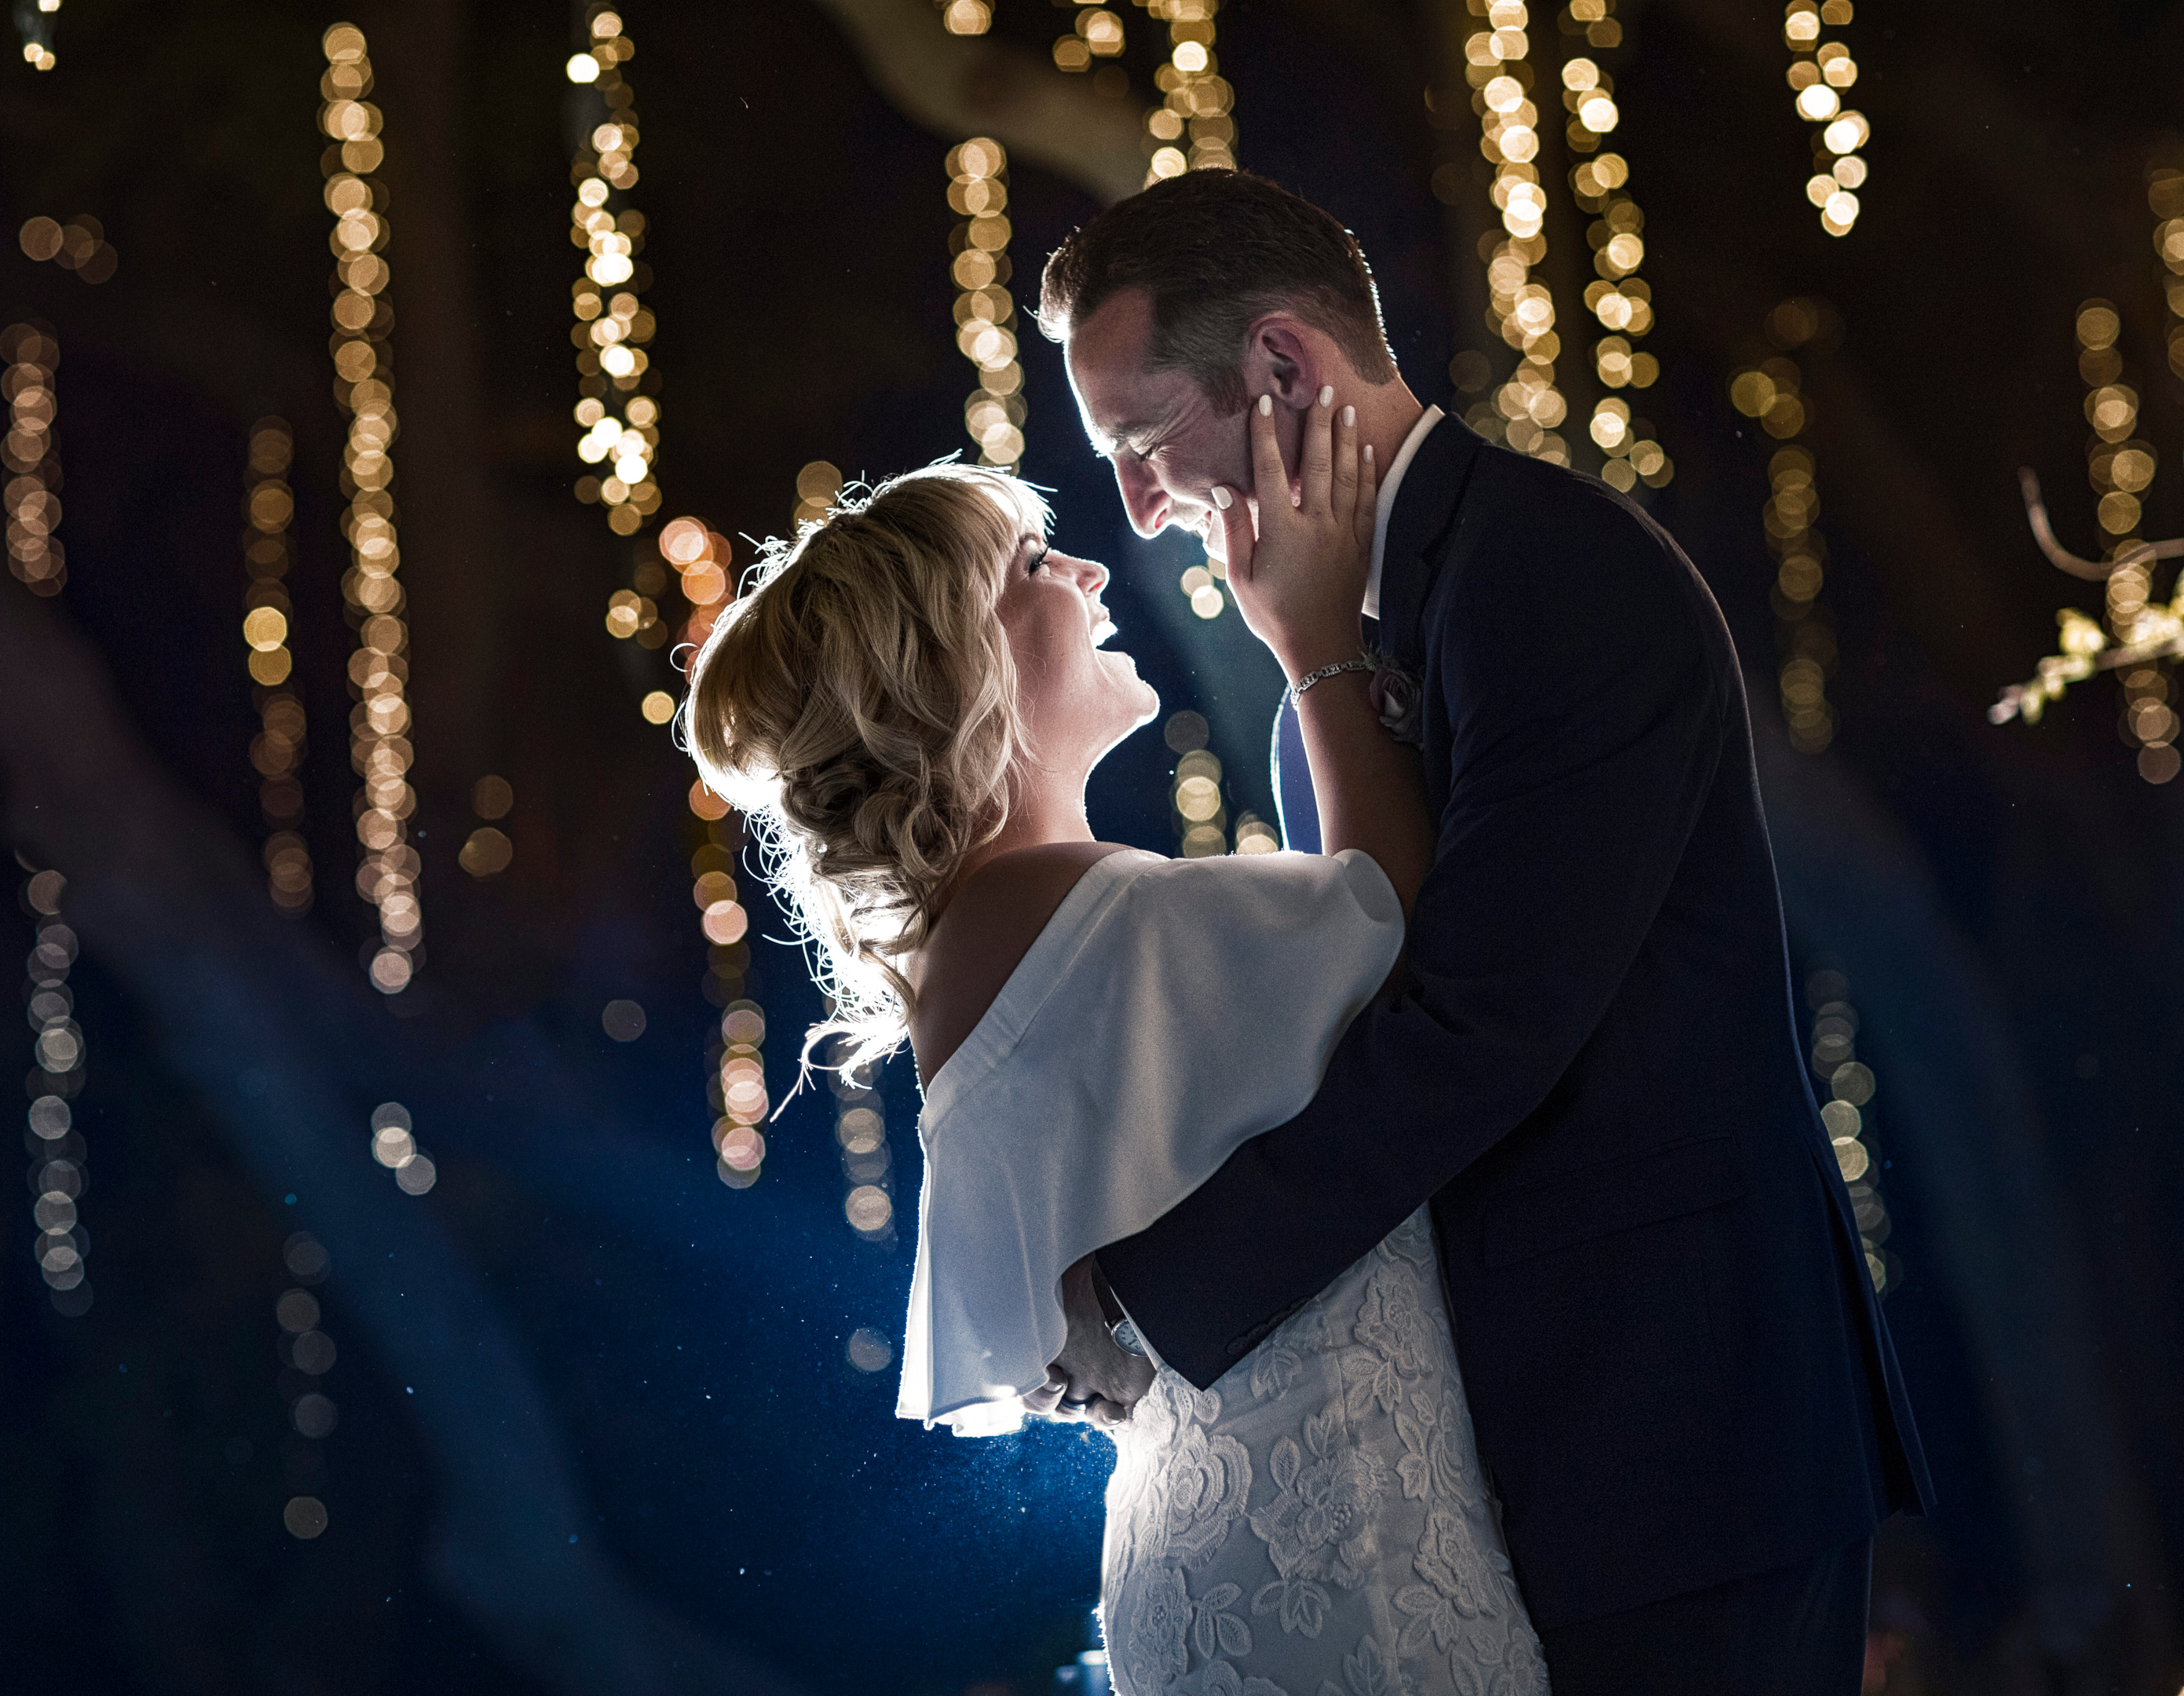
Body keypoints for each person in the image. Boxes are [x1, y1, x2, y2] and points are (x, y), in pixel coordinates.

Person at [1036, 168, 1932, 1693]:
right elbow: (1352, 1002)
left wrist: (1160, 1291)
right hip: (1527, 1435)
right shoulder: (1331, 638)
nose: (1136, 504)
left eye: (1140, 440)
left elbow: (1484, 1025)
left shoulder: (1551, 574)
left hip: (1679, 1424)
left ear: (1283, 366)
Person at [683, 393, 1548, 1694]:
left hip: (1226, 1562)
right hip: (1353, 1570)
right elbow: (1412, 929)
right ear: (958, 663)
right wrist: (1310, 634)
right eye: (1033, 566)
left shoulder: (981, 950)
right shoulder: (1089, 910)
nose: (1086, 568)